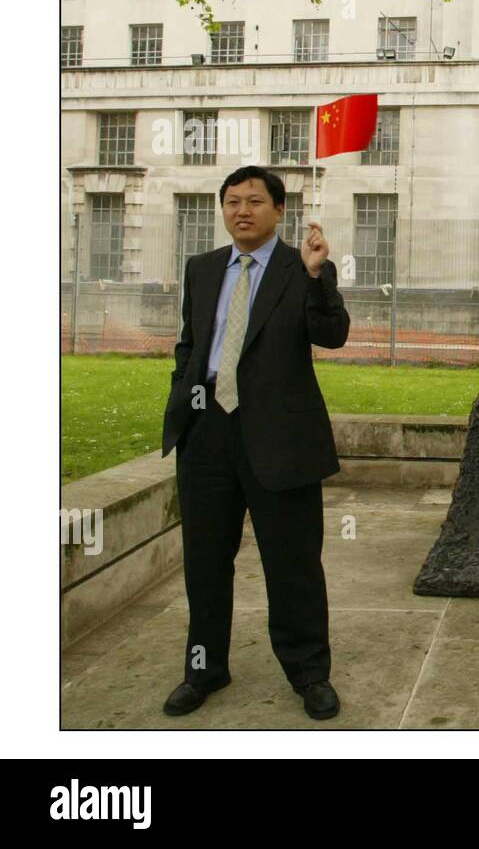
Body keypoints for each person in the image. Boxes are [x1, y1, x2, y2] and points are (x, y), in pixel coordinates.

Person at [159, 166, 350, 719]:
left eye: (254, 201)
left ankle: (310, 674)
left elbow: (331, 334)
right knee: (205, 563)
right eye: (232, 201)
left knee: (293, 565)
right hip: (208, 434)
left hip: (280, 437)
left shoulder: (303, 266)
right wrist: (183, 399)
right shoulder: (202, 269)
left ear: (279, 210)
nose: (241, 210)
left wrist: (319, 278)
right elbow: (191, 344)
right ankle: (203, 669)